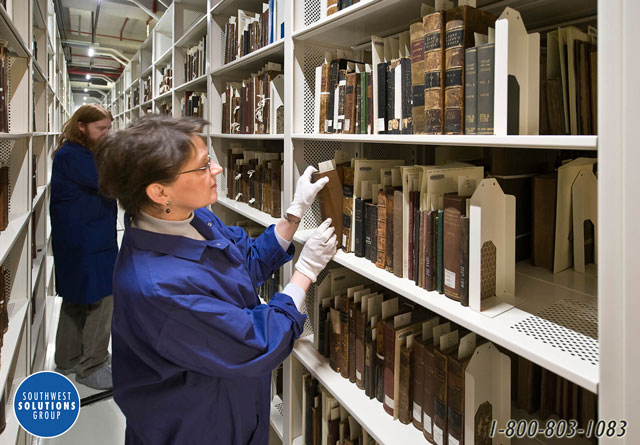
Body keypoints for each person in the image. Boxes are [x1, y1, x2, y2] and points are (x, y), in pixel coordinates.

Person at [94, 114, 337, 444]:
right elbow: (257, 342)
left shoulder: (193, 217)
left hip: (231, 402)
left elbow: (243, 262)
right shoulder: (156, 287)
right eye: (203, 165)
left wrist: (293, 215)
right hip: (197, 427)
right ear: (159, 191)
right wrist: (305, 272)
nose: (218, 169)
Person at [50, 104, 116, 390]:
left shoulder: (75, 153)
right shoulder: (75, 156)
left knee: (76, 298)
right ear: (81, 126)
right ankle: (92, 366)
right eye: (100, 128)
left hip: (80, 239)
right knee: (103, 298)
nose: (106, 134)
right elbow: (110, 184)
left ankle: (67, 359)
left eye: (108, 128)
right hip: (88, 241)